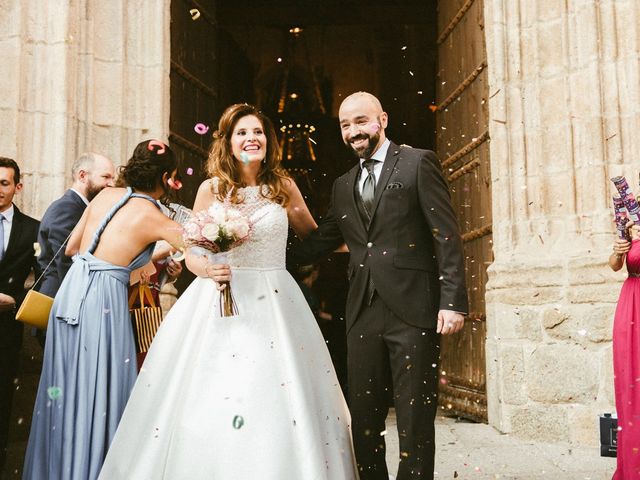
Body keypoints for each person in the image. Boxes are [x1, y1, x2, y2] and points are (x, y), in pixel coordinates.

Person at [99, 104, 358, 479]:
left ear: (268, 141)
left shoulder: (283, 186)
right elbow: (192, 251)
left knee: (277, 392)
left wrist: (370, 243)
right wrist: (207, 268)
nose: (251, 138)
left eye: (258, 132)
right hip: (220, 296)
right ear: (229, 142)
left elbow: (315, 238)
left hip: (275, 300)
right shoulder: (212, 188)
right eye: (242, 133)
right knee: (215, 390)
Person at [289, 91, 468, 480]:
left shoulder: (417, 163)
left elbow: (446, 237)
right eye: (345, 125)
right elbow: (320, 242)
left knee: (414, 417)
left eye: (361, 121)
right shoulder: (342, 185)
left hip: (414, 309)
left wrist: (453, 301)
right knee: (364, 420)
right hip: (362, 312)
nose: (353, 131)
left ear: (382, 119)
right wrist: (258, 253)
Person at [23, 140, 185, 480]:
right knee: (100, 389)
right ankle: (93, 470)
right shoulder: (156, 218)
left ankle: (57, 470)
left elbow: (72, 248)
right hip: (103, 302)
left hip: (71, 294)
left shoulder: (106, 197)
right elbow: (204, 249)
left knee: (64, 387)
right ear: (168, 177)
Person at [0, 158, 39, 472]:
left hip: (7, 333)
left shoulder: (33, 229)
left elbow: (43, 279)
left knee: (2, 406)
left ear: (17, 187)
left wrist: (14, 299)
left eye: (4, 183)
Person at [37, 152, 115, 298]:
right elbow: (66, 262)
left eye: (113, 178)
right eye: (106, 177)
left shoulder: (79, 207)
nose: (111, 183)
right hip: (61, 299)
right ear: (82, 176)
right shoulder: (66, 208)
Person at [610, 223, 640, 478]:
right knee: (631, 385)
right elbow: (614, 265)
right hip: (631, 304)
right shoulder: (631, 226)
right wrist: (619, 250)